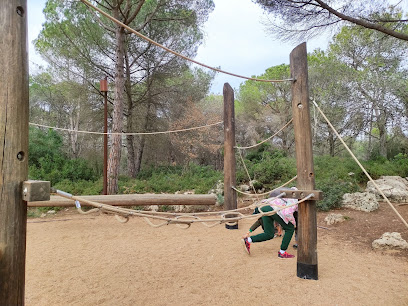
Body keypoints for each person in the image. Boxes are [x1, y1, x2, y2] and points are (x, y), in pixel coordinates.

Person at [241, 187, 298, 258]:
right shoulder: (295, 199)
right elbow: (287, 213)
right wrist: (294, 223)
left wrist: (249, 232)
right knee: (290, 228)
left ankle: (248, 240)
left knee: (269, 234)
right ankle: (282, 252)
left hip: (265, 206)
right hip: (273, 209)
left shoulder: (286, 194)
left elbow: (260, 221)